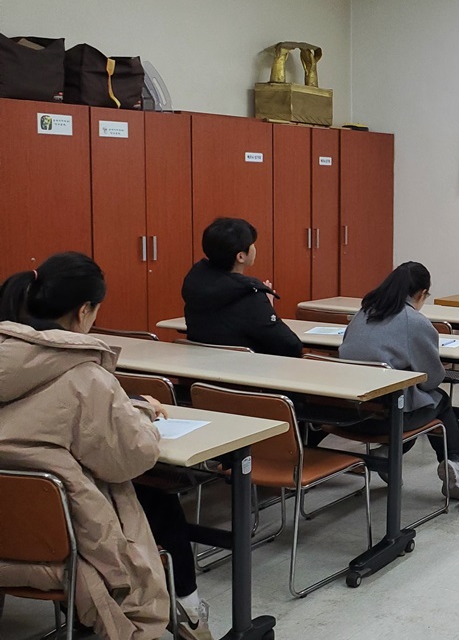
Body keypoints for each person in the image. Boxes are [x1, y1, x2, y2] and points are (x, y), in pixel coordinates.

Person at [0, 253, 171, 640]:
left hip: (9, 539)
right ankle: (189, 614)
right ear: (83, 311)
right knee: (162, 504)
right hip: (69, 553)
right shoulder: (86, 377)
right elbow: (131, 458)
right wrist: (144, 417)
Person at [339, 261, 459, 499]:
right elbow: (431, 380)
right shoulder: (415, 321)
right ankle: (453, 459)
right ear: (422, 294)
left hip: (346, 414)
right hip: (386, 418)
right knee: (438, 400)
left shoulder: (364, 312)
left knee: (410, 400)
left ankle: (389, 453)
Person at [182, 217, 301, 356]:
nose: (255, 248)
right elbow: (291, 346)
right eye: (252, 244)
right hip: (244, 367)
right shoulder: (250, 296)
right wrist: (266, 308)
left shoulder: (195, 285)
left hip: (201, 365)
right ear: (241, 257)